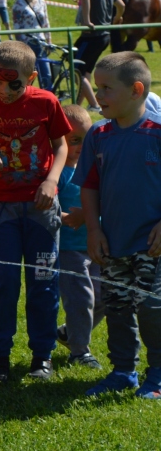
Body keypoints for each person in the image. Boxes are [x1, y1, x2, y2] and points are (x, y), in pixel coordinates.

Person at [0, 40, 71, 386]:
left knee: (42, 280)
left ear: (31, 77)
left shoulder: (46, 103)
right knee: (5, 282)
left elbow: (61, 144)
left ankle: (42, 355)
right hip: (2, 207)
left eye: (13, 84)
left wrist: (52, 181)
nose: (4, 90)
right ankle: (0, 358)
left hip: (41, 206)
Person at [74, 51, 161, 399]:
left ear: (136, 90)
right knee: (118, 306)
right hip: (112, 241)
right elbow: (90, 185)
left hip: (153, 242)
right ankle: (124, 370)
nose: (98, 98)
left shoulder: (157, 134)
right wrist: (93, 230)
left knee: (151, 306)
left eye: (107, 89)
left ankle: (157, 373)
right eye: (97, 89)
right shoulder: (99, 135)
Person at [55, 104, 104, 369]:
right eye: (73, 141)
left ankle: (67, 333)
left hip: (97, 245)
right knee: (81, 298)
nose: (81, 146)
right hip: (70, 249)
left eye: (86, 139)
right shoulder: (59, 172)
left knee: (105, 296)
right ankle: (79, 351)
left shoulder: (95, 168)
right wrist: (65, 217)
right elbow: (46, 207)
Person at [73, 0, 125, 111]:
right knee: (86, 71)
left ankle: (94, 105)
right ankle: (78, 105)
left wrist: (87, 20)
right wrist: (117, 18)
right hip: (105, 36)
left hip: (91, 36)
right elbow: (121, 5)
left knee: (76, 70)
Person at [12, 0, 52, 91]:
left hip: (41, 42)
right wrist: (21, 45)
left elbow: (46, 23)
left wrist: (49, 40)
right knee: (28, 74)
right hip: (27, 42)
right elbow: (17, 27)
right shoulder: (18, 5)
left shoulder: (42, 2)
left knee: (46, 74)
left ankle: (47, 98)